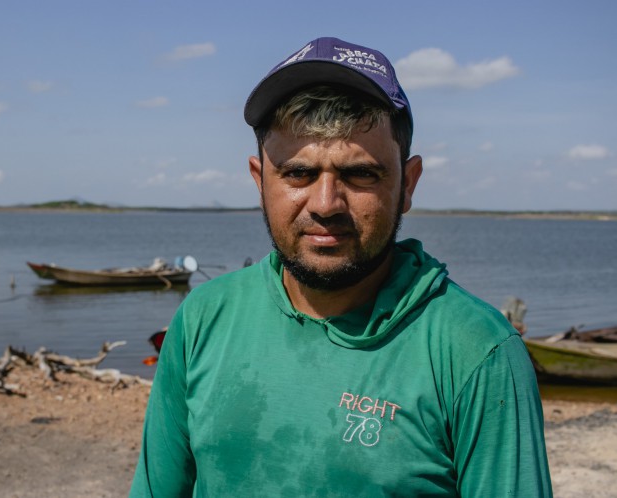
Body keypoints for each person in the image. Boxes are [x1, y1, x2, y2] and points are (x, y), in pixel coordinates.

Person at [130, 37, 552, 497]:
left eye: (360, 174)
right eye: (298, 173)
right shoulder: (204, 317)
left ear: (408, 184)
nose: (326, 204)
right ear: (259, 180)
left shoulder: (475, 350)